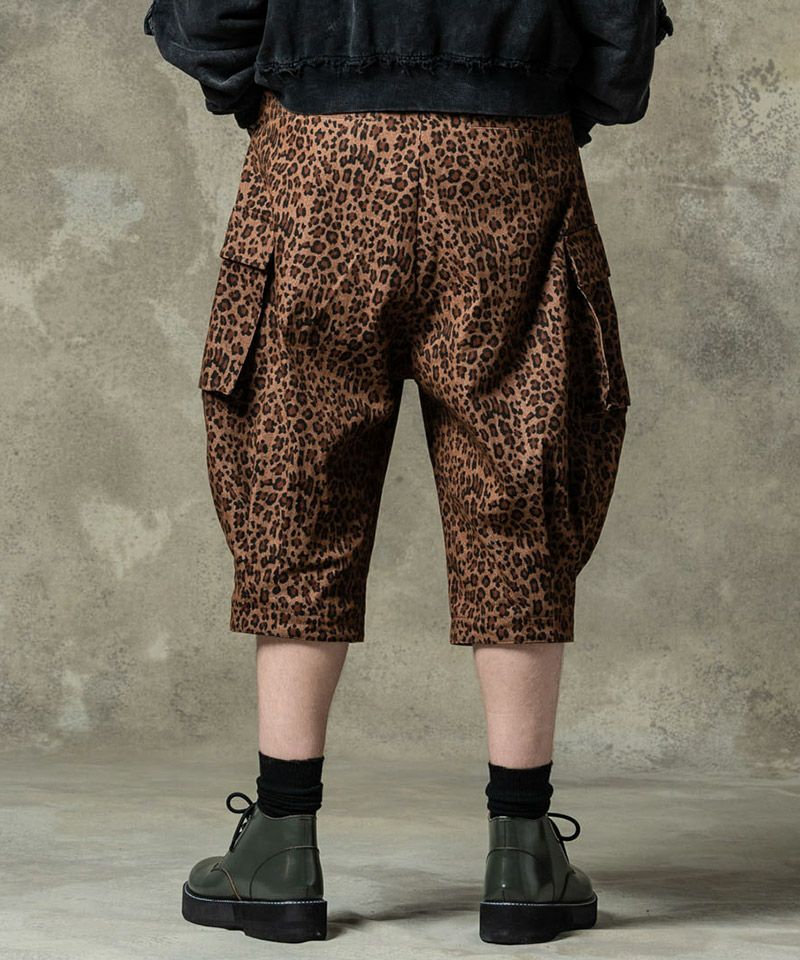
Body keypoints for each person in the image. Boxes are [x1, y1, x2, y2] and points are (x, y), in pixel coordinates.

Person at [143, 0, 673, 945]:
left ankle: (281, 845)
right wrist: (539, 101)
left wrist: (285, 95)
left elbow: (208, 12)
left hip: (319, 156)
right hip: (511, 157)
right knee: (518, 481)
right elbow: (618, 20)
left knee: (294, 481)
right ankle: (522, 854)